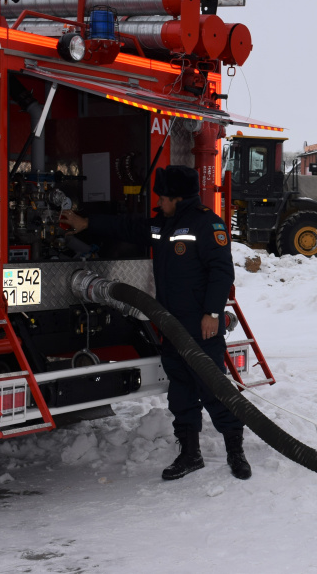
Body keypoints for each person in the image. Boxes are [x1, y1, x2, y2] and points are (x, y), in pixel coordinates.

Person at [61, 165, 251, 481]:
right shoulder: (161, 225)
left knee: (213, 388)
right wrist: (89, 223)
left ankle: (236, 451)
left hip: (201, 324)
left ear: (178, 198)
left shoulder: (207, 224)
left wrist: (212, 314)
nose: (158, 203)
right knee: (181, 392)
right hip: (171, 323)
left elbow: (222, 272)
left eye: (163, 198)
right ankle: (190, 454)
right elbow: (130, 227)